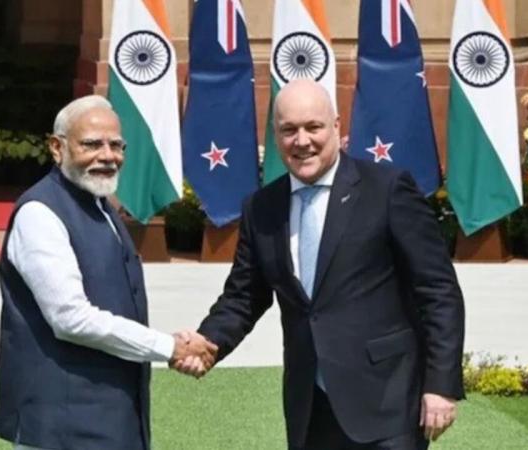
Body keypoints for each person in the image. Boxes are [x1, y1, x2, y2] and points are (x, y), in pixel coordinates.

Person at [179, 79, 465, 449]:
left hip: (389, 402)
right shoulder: (262, 208)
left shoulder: (387, 189)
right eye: (289, 130)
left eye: (313, 127)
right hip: (311, 407)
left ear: (336, 126)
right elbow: (244, 296)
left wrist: (440, 385)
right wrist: (208, 341)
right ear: (276, 136)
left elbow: (438, 290)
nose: (302, 141)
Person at [0, 95, 217, 450]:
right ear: (57, 148)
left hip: (108, 418)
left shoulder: (100, 206)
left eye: (116, 145)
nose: (108, 156)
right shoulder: (40, 214)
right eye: (92, 144)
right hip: (60, 427)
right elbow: (70, 318)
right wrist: (168, 346)